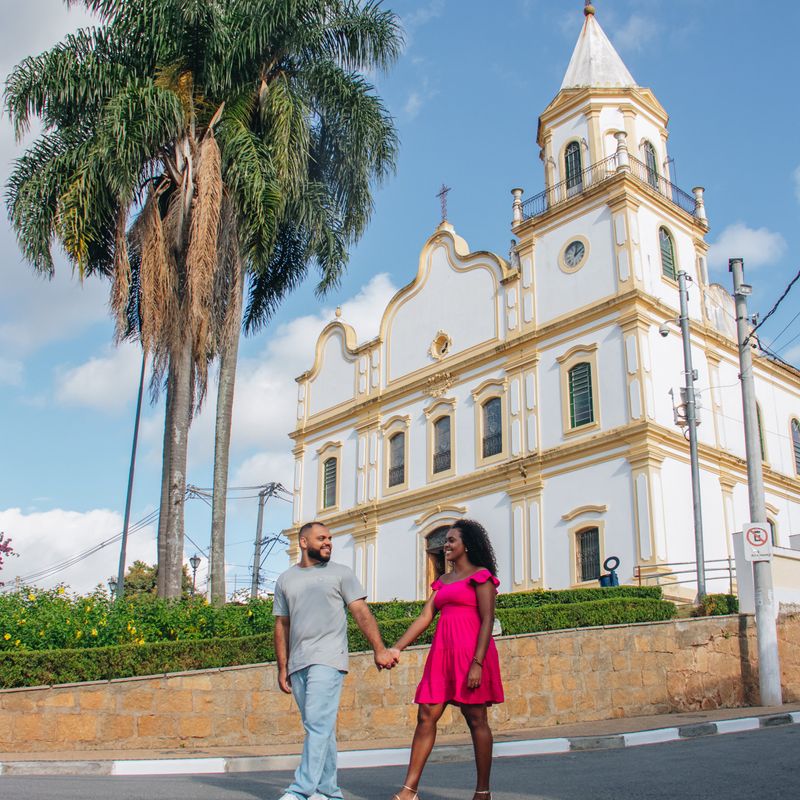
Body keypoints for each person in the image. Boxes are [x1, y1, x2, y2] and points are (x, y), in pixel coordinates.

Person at [274, 521, 398, 800]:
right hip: (298, 662)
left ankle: (299, 790)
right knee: (320, 728)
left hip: (329, 658)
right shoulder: (285, 579)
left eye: (330, 538)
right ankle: (329, 792)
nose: (328, 542)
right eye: (321, 538)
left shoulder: (341, 574)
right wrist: (282, 666)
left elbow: (361, 613)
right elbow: (282, 624)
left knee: (317, 724)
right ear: (304, 542)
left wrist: (379, 649)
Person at [388, 519, 504, 800]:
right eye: (446, 540)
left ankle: (483, 791)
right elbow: (425, 617)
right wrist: (397, 648)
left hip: (471, 654)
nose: (446, 545)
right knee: (426, 715)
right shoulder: (442, 581)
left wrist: (477, 663)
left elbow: (487, 619)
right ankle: (409, 790)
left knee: (476, 719)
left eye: (452, 540)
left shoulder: (481, 576)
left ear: (467, 545)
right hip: (442, 654)